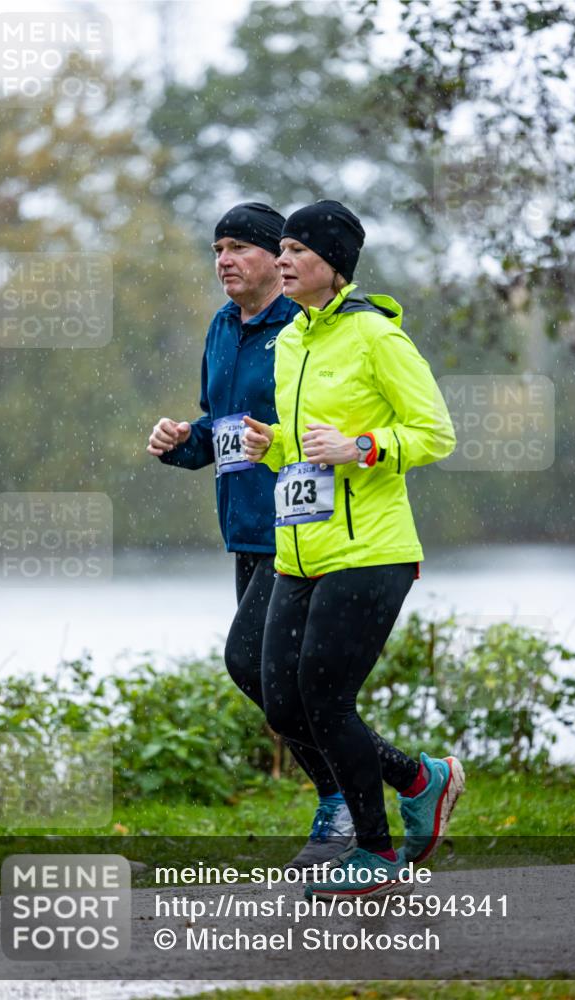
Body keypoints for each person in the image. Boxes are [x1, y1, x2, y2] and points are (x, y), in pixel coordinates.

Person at [242, 200, 464, 899]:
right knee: (282, 702)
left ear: (332, 265)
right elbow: (301, 448)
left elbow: (434, 434)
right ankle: (418, 777)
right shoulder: (288, 342)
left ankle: (375, 851)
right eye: (279, 247)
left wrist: (362, 448)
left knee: (325, 698)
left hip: (371, 549)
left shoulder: (376, 336)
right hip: (298, 550)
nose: (281, 259)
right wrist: (268, 444)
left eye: (296, 250)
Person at [146, 202, 355, 867]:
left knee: (256, 665)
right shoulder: (220, 328)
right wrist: (182, 441)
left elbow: (326, 422)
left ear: (277, 256)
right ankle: (391, 782)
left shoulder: (304, 325)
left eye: (238, 246)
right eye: (216, 249)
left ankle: (348, 795)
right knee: (277, 679)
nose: (223, 260)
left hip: (302, 523)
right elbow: (223, 427)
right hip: (244, 524)